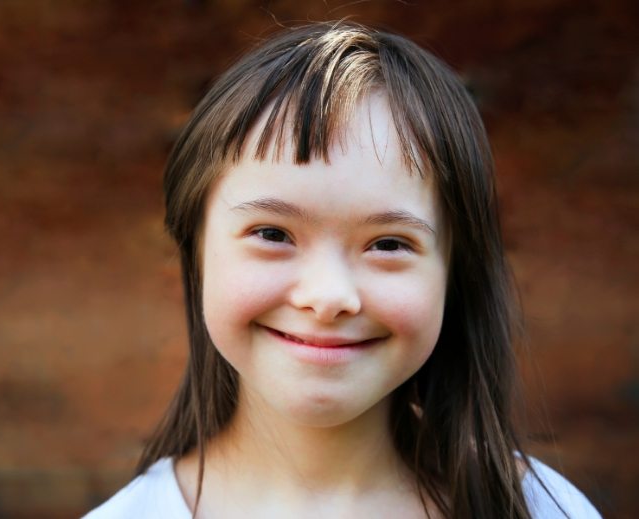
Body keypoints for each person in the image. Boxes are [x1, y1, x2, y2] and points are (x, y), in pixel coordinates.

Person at [84, 21, 601, 519]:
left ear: (453, 270)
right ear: (195, 247)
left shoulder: (542, 510)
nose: (328, 296)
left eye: (389, 243)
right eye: (272, 234)